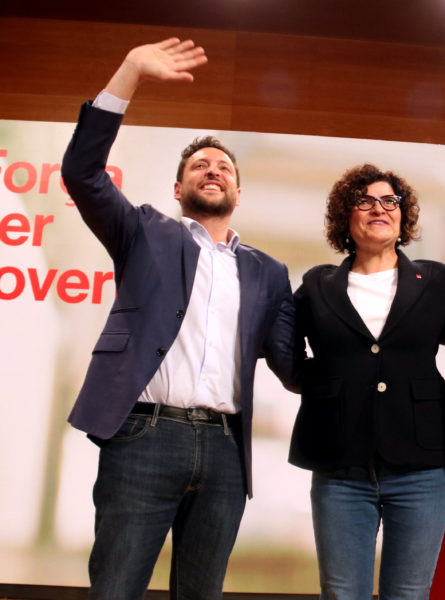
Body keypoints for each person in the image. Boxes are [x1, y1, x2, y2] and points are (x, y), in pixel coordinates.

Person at [61, 38, 296, 599]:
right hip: (144, 435)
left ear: (239, 190)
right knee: (116, 587)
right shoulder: (144, 231)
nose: (212, 171)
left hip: (224, 449)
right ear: (178, 187)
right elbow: (82, 173)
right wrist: (130, 71)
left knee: (202, 592)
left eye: (223, 167)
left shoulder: (269, 271)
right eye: (199, 165)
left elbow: (291, 363)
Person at [288, 164, 445, 600]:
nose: (378, 208)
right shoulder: (316, 285)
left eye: (390, 200)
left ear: (403, 216)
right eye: (364, 201)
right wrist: (325, 383)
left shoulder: (437, 281)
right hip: (339, 465)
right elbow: (285, 351)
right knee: (342, 592)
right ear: (345, 217)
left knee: (408, 593)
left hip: (420, 466)